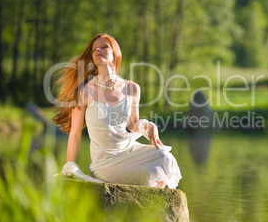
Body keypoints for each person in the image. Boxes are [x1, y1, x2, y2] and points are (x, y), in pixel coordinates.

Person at [52, 33, 181, 188]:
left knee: (165, 157)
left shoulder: (131, 88)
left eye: (104, 46)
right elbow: (75, 135)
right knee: (150, 174)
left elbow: (133, 124)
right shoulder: (85, 92)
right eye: (94, 49)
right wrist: (69, 165)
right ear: (92, 58)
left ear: (115, 53)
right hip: (105, 164)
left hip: (129, 151)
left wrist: (148, 127)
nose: (98, 50)